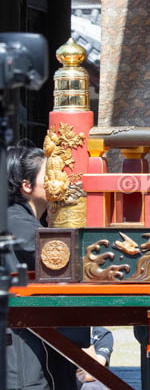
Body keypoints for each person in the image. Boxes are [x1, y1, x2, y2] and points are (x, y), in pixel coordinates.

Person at [5, 145, 107, 390]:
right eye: (48, 173)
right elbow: (63, 258)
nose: (58, 179)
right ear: (27, 186)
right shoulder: (14, 221)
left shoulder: (24, 221)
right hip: (22, 351)